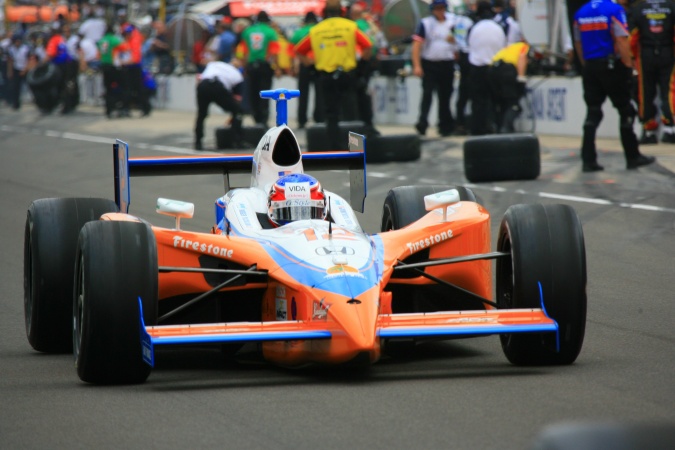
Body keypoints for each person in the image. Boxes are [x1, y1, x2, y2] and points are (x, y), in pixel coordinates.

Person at [574, 0, 656, 171]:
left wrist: (586, 65)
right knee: (626, 110)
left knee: (593, 113)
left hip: (590, 66)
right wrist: (629, 67)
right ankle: (632, 157)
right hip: (612, 66)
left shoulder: (581, 12)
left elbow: (578, 43)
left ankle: (588, 160)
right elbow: (621, 39)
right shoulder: (614, 10)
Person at [294, 0, 373, 149]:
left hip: (325, 76)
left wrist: (311, 67)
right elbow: (368, 46)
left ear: (323, 13)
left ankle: (334, 149)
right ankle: (354, 150)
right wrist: (362, 66)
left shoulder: (316, 30)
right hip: (347, 74)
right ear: (343, 12)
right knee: (351, 113)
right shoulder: (350, 26)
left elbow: (299, 51)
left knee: (331, 115)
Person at [629, 0, 675, 144]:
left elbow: (632, 38)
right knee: (669, 89)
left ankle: (649, 129)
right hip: (668, 52)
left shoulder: (638, 8)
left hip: (646, 55)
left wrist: (632, 58)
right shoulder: (671, 6)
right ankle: (670, 128)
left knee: (645, 91)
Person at [411, 0, 459, 137]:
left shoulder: (453, 22)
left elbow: (461, 39)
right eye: (437, 8)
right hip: (430, 64)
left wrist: (455, 41)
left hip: (447, 63)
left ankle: (445, 124)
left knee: (445, 96)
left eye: (442, 8)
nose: (440, 11)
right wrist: (417, 65)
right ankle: (422, 123)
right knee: (427, 95)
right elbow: (417, 45)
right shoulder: (426, 23)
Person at [467, 1, 507, 135]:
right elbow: (503, 46)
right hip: (495, 68)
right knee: (497, 99)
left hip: (477, 67)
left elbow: (469, 46)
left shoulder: (474, 28)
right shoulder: (498, 27)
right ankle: (498, 126)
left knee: (478, 101)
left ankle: (478, 129)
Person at [236, 11, 280, 127]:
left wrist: (244, 67)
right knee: (266, 93)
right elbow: (274, 52)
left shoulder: (247, 31)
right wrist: (277, 68)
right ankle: (264, 120)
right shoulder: (271, 32)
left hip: (251, 66)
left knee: (253, 93)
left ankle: (256, 119)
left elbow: (244, 52)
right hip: (264, 66)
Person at [193, 60, 246, 151]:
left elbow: (199, 77)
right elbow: (237, 99)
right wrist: (234, 117)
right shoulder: (238, 75)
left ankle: (198, 142)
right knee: (238, 111)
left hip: (203, 85)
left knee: (201, 115)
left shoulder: (214, 64)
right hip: (218, 87)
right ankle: (237, 141)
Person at [350, 1, 382, 136]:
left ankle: (360, 125)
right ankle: (367, 124)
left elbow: (365, 45)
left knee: (357, 96)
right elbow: (376, 42)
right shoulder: (370, 25)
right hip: (370, 62)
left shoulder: (353, 26)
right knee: (365, 94)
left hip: (358, 64)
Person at [290, 11, 323, 128]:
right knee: (319, 93)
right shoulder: (320, 31)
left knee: (303, 94)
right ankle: (319, 119)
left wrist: (294, 66)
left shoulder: (299, 32)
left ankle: (301, 120)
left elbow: (293, 51)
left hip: (304, 65)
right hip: (319, 64)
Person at [489, 41, 530, 133]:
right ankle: (506, 129)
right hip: (507, 71)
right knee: (513, 104)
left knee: (500, 103)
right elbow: (522, 57)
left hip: (492, 70)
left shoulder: (510, 47)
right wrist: (521, 77)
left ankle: (498, 128)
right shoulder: (524, 46)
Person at [453, 0, 476, 135]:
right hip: (469, 56)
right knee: (471, 92)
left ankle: (460, 123)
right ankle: (467, 122)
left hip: (461, 56)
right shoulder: (470, 22)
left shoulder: (454, 21)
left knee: (463, 94)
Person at [98, 24, 124, 118]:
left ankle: (108, 110)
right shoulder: (113, 39)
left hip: (104, 65)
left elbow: (99, 52)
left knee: (107, 88)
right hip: (112, 66)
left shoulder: (102, 40)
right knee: (116, 88)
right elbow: (123, 47)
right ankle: (116, 107)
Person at [7, 34, 30, 110]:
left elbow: (28, 60)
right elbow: (10, 61)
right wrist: (10, 71)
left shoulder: (25, 49)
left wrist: (25, 70)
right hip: (16, 69)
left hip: (24, 69)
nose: (17, 43)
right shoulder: (11, 49)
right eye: (16, 41)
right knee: (15, 87)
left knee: (29, 85)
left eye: (19, 41)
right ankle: (16, 103)